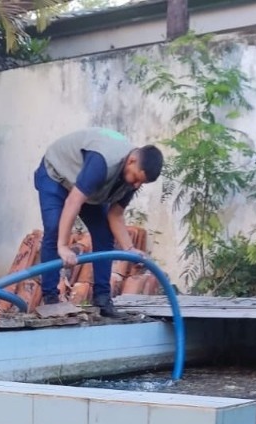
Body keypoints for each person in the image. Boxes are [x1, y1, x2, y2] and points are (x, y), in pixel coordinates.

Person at [35, 128, 163, 317]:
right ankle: (51, 298)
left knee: (104, 234)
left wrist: (129, 248)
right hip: (56, 175)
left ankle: (102, 298)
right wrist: (63, 246)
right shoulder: (102, 161)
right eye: (136, 178)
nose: (136, 185)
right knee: (54, 229)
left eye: (140, 183)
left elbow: (115, 215)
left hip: (87, 189)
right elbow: (73, 201)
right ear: (132, 160)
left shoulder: (131, 179)